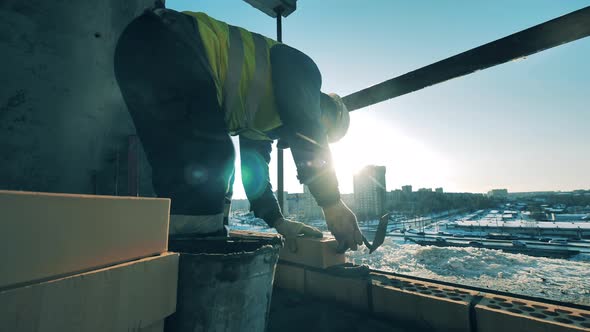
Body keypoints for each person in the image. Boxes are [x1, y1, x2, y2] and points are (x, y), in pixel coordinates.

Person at [114, 6, 363, 252]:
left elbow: (255, 179)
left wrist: (279, 222)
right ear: (324, 109)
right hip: (169, 40)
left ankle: (171, 258)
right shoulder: (304, 70)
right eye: (323, 131)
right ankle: (196, 266)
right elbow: (306, 126)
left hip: (139, 50)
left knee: (184, 177)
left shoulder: (263, 123)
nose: (318, 137)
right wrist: (331, 201)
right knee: (213, 162)